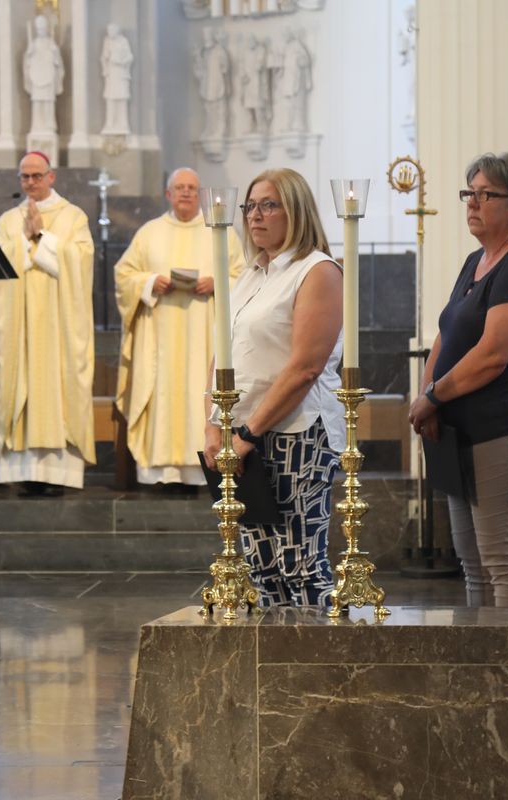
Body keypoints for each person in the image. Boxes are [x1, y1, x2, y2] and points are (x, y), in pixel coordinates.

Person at [408, 152, 508, 607]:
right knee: (472, 566)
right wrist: (426, 397)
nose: (472, 203)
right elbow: (447, 333)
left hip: (506, 428)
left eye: (485, 194)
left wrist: (433, 397)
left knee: (504, 564)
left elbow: (493, 355)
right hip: (460, 434)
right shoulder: (477, 259)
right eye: (468, 193)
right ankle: (479, 673)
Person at [201, 168, 345, 607]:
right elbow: (221, 355)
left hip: (297, 433)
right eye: (250, 206)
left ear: (296, 211)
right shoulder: (252, 273)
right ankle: (272, 675)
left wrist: (247, 434)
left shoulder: (317, 271)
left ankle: (314, 670)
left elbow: (305, 366)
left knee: (300, 566)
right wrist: (213, 426)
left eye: (268, 205)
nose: (254, 216)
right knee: (262, 571)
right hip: (244, 438)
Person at [115, 168, 246, 490]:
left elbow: (244, 277)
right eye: (179, 187)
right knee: (164, 392)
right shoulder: (149, 232)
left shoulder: (220, 231)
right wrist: (148, 282)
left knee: (199, 392)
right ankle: (162, 472)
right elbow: (124, 275)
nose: (185, 192)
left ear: (199, 194)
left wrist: (217, 283)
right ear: (168, 194)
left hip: (206, 336)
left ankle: (203, 466)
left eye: (191, 187)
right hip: (159, 337)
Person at [0, 152, 95, 496]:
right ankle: (25, 472)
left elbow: (82, 260)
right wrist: (23, 240)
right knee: (21, 383)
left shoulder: (72, 216)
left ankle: (58, 474)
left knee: (58, 385)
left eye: (37, 176)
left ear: (52, 177)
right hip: (19, 326)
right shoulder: (9, 219)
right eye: (25, 177)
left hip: (59, 327)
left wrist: (43, 239)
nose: (31, 183)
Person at [23, 15, 64, 135]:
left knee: (48, 102)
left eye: (43, 29)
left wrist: (55, 52)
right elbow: (27, 63)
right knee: (37, 102)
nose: (41, 31)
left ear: (46, 29)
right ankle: (37, 125)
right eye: (39, 29)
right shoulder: (33, 44)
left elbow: (57, 62)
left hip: (48, 76)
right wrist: (29, 55)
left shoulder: (51, 44)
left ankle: (49, 125)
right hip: (37, 77)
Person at [100, 23, 133, 136]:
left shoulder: (123, 41)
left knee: (122, 97)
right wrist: (106, 58)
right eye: (108, 31)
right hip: (111, 74)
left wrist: (122, 62)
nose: (110, 33)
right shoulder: (107, 42)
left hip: (121, 73)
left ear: (116, 31)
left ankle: (123, 122)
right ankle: (110, 122)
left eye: (111, 31)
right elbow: (103, 58)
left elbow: (129, 56)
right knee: (111, 98)